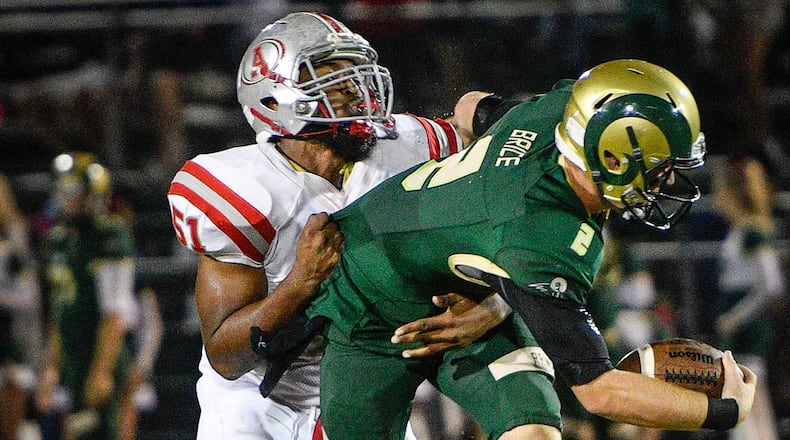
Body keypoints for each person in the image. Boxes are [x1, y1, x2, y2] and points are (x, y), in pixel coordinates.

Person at [305, 59, 758, 439]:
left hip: (464, 289)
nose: (668, 184)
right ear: (612, 159)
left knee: (533, 433)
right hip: (368, 303)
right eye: (659, 170)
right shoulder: (543, 235)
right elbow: (598, 391)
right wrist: (726, 412)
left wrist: (485, 269)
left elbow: (469, 108)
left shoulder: (564, 114)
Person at [166, 12, 505, 440]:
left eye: (357, 73)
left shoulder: (405, 148)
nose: (357, 90)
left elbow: (505, 192)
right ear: (275, 99)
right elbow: (226, 357)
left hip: (369, 391)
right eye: (332, 76)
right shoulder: (245, 192)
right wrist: (300, 283)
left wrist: (494, 304)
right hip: (261, 407)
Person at [35, 152, 137, 440]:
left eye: (75, 191)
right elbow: (61, 309)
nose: (68, 198)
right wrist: (51, 366)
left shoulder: (110, 237)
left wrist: (102, 370)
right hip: (72, 357)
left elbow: (114, 312)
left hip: (101, 354)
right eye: (64, 190)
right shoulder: (59, 240)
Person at [712, 154, 784, 440]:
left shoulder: (753, 232)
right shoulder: (742, 231)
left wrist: (736, 318)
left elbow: (772, 284)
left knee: (743, 411)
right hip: (741, 332)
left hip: (746, 334)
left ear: (732, 194)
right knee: (755, 411)